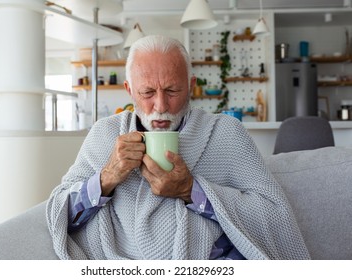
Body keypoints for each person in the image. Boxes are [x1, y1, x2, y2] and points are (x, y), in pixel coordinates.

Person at [46, 35, 310, 260]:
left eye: (172, 91)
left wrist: (190, 190)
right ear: (129, 90)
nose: (161, 106)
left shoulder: (225, 133)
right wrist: (106, 178)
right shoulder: (104, 134)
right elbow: (58, 212)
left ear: (191, 86)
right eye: (147, 93)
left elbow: (273, 214)